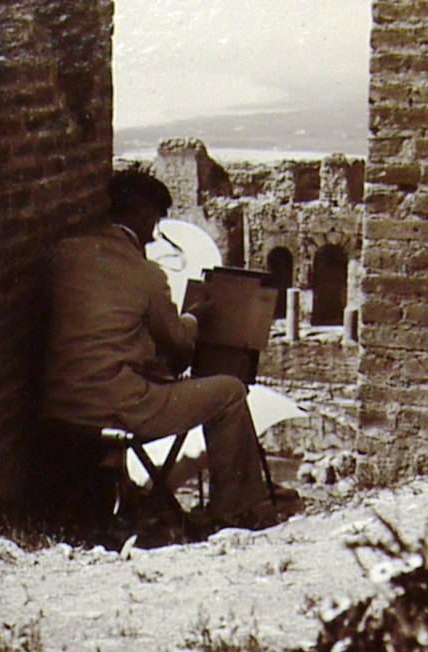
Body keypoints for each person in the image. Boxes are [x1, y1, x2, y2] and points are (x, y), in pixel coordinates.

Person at [41, 167, 296, 530]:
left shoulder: (65, 254)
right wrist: (193, 318)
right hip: (114, 407)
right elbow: (178, 348)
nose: (152, 234)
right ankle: (236, 510)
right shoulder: (147, 274)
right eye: (155, 222)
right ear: (145, 216)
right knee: (229, 392)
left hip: (60, 403)